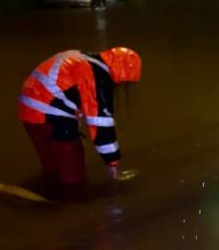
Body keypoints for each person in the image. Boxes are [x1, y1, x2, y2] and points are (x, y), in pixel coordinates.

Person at [17, 47, 141, 198]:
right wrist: (112, 164)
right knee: (73, 174)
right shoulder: (99, 75)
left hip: (28, 111)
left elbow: (68, 92)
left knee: (51, 164)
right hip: (51, 116)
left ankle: (48, 190)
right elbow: (102, 125)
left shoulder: (83, 59)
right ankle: (71, 204)